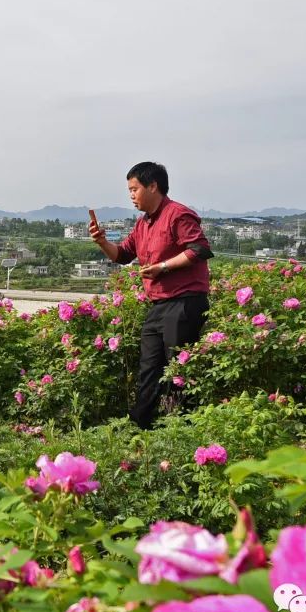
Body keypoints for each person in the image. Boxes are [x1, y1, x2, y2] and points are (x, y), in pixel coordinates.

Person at [89, 162, 213, 429]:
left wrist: (164, 266)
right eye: (129, 191)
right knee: (149, 369)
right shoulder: (143, 224)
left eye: (134, 189)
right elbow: (122, 255)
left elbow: (200, 249)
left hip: (185, 302)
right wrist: (101, 242)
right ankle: (139, 427)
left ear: (153, 186)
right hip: (159, 305)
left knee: (178, 371)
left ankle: (183, 428)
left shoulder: (177, 214)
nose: (131, 196)